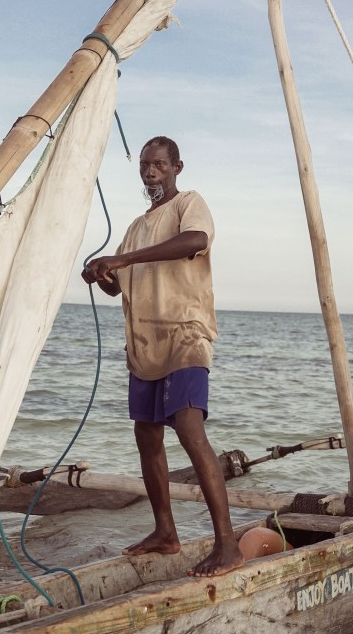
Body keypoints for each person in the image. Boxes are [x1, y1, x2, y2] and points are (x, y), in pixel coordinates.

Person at [81, 135, 243, 577]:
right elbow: (120, 285)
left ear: (176, 167)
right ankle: (165, 532)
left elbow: (194, 240)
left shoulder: (188, 204)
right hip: (145, 344)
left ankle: (227, 545)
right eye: (144, 165)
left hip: (185, 334)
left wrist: (122, 259)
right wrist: (102, 273)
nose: (150, 171)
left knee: (190, 430)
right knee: (147, 437)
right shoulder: (136, 227)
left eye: (159, 164)